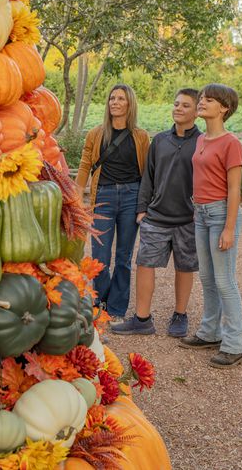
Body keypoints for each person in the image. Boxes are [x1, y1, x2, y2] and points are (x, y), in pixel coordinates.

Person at [113, 88, 201, 337]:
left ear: (196, 111)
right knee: (144, 264)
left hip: (188, 219)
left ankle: (180, 314)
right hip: (156, 217)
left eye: (185, 105)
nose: (178, 109)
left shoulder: (202, 142)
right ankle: (142, 319)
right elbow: (148, 177)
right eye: (176, 104)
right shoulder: (160, 140)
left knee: (185, 267)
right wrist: (142, 209)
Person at [179, 83, 242, 369]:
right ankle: (210, 332)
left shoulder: (231, 143)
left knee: (225, 281)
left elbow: (234, 189)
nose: (202, 102)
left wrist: (229, 228)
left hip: (221, 214)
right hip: (201, 214)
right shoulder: (201, 140)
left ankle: (235, 344)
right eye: (202, 98)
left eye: (209, 100)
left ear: (224, 108)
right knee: (207, 278)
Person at [75, 84, 149, 324]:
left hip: (131, 196)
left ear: (130, 104)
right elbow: (86, 165)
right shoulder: (96, 134)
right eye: (112, 98)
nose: (115, 102)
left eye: (121, 99)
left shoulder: (140, 136)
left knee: (124, 257)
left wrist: (144, 205)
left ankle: (116, 309)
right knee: (100, 257)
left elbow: (147, 172)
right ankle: (101, 304)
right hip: (103, 197)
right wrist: (77, 197)